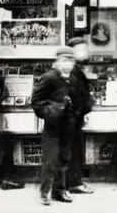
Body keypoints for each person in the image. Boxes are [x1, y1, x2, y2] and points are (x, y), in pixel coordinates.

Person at [32, 46, 75, 205]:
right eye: (64, 60)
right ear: (57, 61)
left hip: (67, 124)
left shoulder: (73, 78)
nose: (68, 63)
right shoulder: (49, 77)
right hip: (52, 125)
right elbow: (36, 102)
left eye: (71, 60)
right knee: (50, 159)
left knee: (64, 158)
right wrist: (48, 114)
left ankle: (60, 191)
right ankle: (45, 192)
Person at [64, 37, 94, 194]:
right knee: (74, 152)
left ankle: (73, 182)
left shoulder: (77, 71)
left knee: (75, 151)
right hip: (72, 120)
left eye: (85, 49)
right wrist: (81, 111)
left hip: (76, 119)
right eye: (81, 50)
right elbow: (75, 98)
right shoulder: (73, 73)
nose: (85, 53)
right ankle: (74, 183)